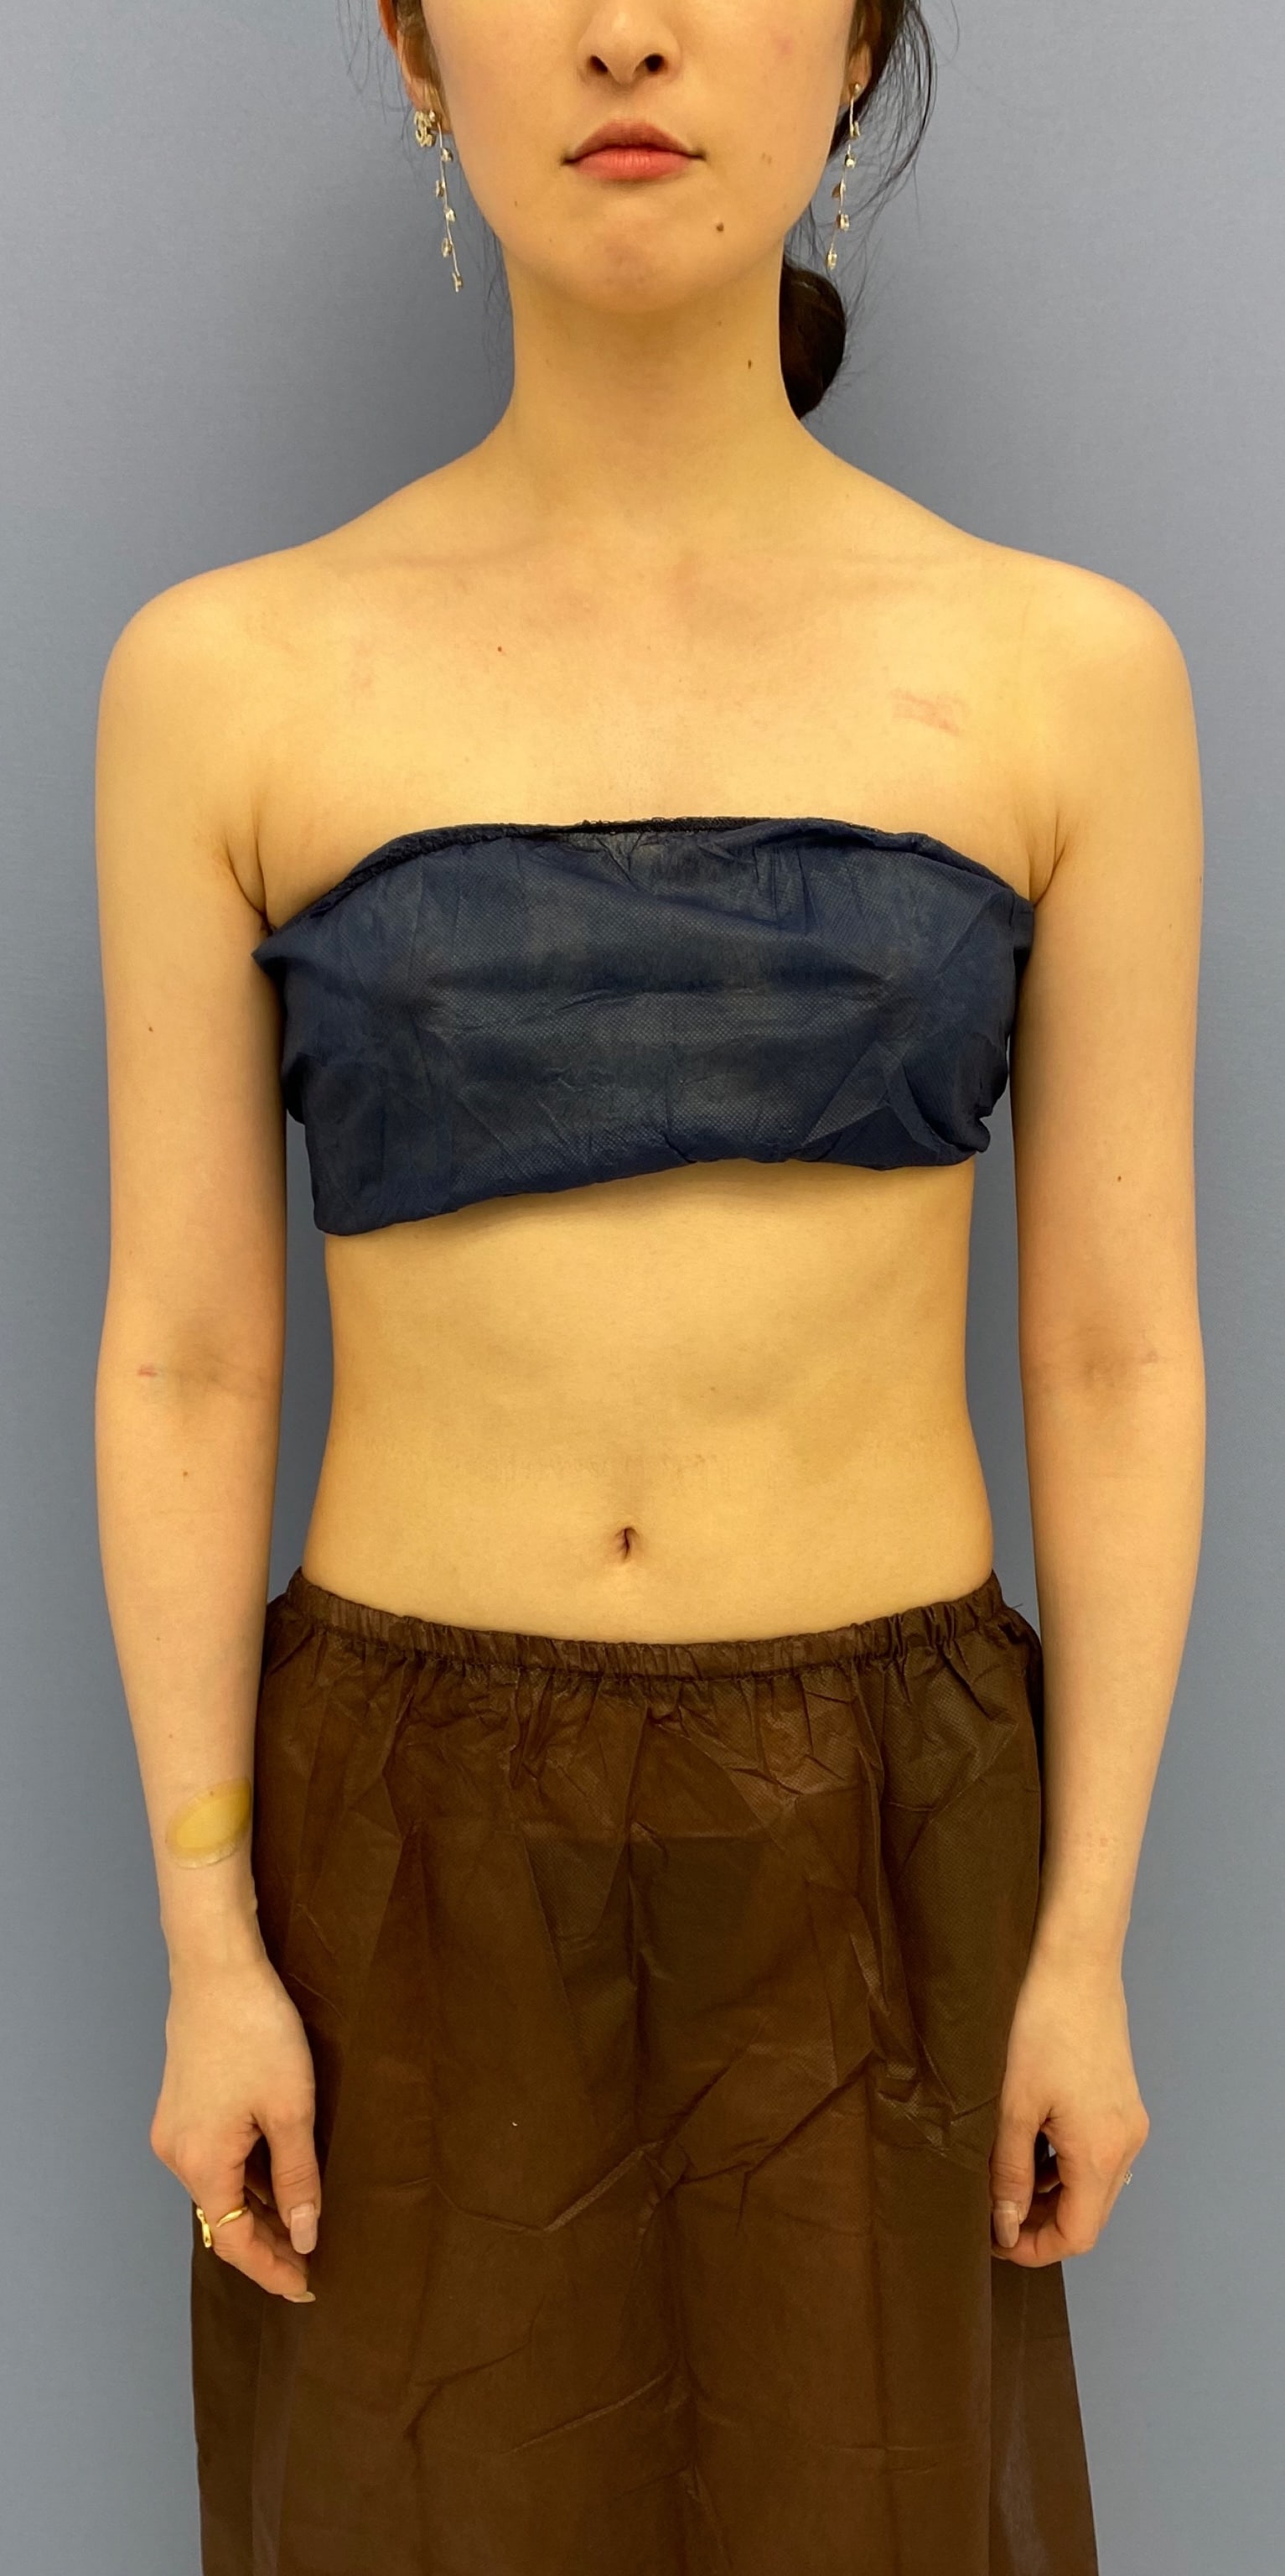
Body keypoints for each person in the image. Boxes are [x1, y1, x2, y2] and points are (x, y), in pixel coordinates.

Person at [93, 4, 1205, 2571]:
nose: (624, 29)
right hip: (397, 1855)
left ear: (853, 44)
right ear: (413, 49)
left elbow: (1115, 1349)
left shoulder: (1066, 674)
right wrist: (206, 1935)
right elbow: (187, 1351)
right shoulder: (225, 679)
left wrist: (1085, 1940)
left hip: (886, 1842)